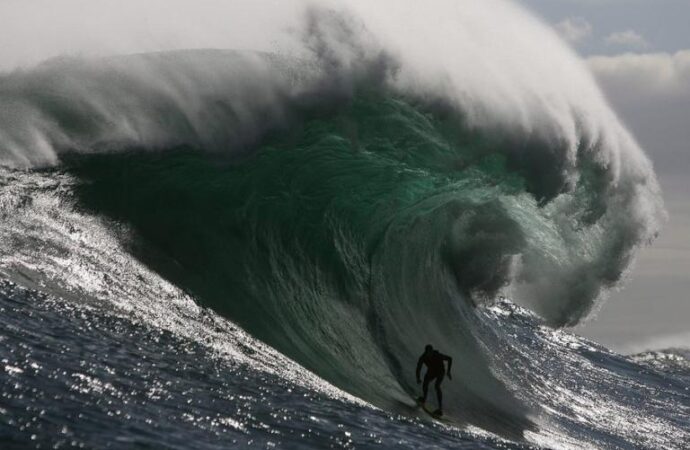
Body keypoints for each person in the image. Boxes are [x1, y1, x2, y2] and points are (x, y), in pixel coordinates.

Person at [416, 344, 452, 416]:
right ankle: (424, 399)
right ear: (426, 352)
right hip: (431, 371)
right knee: (425, 382)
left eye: (431, 352)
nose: (430, 354)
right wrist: (418, 378)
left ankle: (440, 409)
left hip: (440, 371)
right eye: (428, 352)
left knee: (437, 386)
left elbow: (450, 358)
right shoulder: (423, 357)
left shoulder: (438, 355)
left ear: (432, 351)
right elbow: (418, 368)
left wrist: (448, 371)